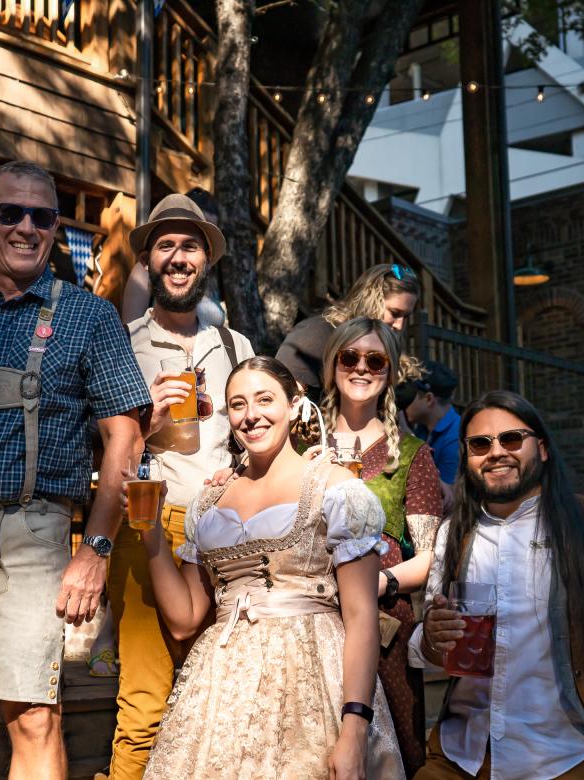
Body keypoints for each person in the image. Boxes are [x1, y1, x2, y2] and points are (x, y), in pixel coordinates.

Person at [0, 160, 151, 780]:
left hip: (27, 535)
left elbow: (124, 436)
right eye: (10, 212)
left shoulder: (89, 315)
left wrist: (96, 549)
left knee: (32, 719)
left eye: (42, 217)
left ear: (56, 230)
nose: (26, 227)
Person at [131, 356, 401, 778]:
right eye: (238, 405)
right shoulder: (210, 501)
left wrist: (353, 727)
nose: (251, 415)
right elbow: (184, 620)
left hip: (310, 681)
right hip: (222, 690)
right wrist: (149, 531)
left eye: (264, 400)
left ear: (294, 406)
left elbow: (361, 615)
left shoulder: (335, 487)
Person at [412, 390, 584, 780]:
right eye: (480, 443)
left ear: (542, 449)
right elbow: (432, 649)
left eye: (511, 439)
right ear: (466, 457)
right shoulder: (453, 534)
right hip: (459, 756)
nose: (496, 452)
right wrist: (431, 636)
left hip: (565, 758)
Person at [109, 193, 254, 779]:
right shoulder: (122, 339)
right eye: (165, 245)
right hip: (150, 523)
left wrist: (241, 469)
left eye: (188, 245)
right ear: (148, 261)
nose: (177, 256)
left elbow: (256, 441)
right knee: (145, 702)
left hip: (223, 530)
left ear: (205, 260)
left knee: (215, 700)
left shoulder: (234, 347)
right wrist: (153, 423)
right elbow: (101, 449)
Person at [317, 317, 443, 775]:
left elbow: (429, 556)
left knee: (393, 754)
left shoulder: (412, 454)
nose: (362, 368)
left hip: (386, 621)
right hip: (312, 616)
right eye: (350, 357)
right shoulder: (302, 441)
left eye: (376, 360)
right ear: (333, 364)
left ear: (389, 373)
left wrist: (381, 582)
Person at [277, 263, 421, 400]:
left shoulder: (387, 347)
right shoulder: (318, 334)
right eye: (395, 313)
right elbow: (284, 396)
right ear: (371, 301)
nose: (400, 325)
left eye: (406, 316)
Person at [122, 187, 226, 329]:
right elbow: (130, 331)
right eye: (200, 226)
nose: (205, 236)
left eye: (210, 228)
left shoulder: (210, 274)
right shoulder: (143, 271)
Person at [401, 360, 461, 485]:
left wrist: (404, 432)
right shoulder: (422, 429)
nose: (404, 399)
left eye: (410, 394)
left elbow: (446, 495)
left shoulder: (456, 437)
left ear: (429, 399)